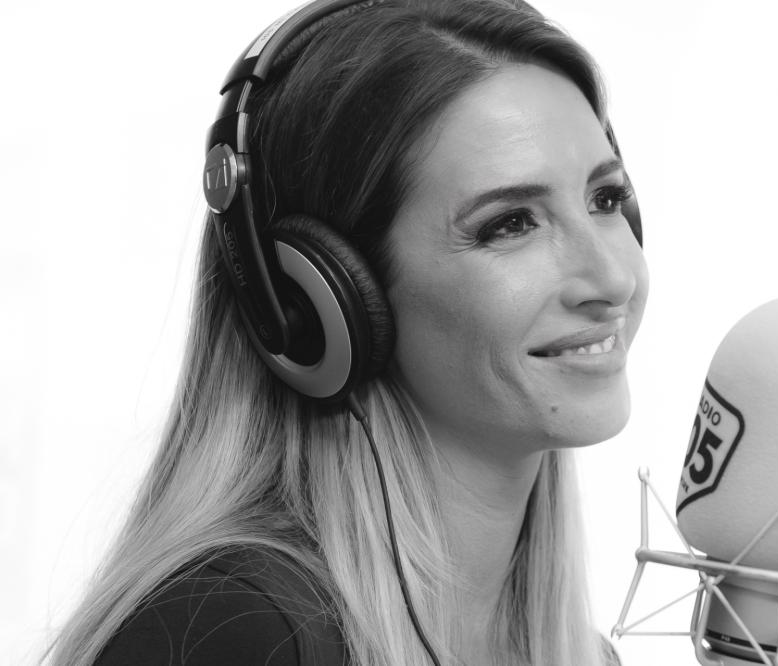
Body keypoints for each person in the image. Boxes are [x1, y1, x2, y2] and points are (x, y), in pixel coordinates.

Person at [45, 0, 648, 663]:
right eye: (510, 224)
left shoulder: (574, 653)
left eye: (606, 199)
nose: (613, 277)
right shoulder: (232, 634)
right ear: (320, 300)